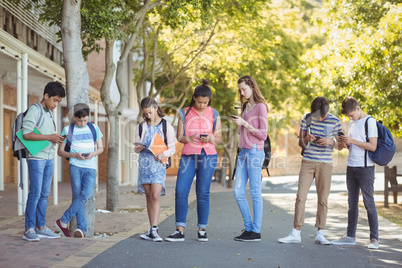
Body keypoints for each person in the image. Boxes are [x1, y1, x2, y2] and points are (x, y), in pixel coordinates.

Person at [277, 96, 342, 245]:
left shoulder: (335, 121)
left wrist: (330, 142)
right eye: (317, 117)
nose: (319, 119)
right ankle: (296, 232)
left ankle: (320, 233)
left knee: (323, 199)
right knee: (300, 196)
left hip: (325, 163)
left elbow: (342, 145)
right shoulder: (307, 118)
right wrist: (306, 139)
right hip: (308, 161)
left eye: (322, 117)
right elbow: (300, 142)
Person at [165, 79, 222, 242]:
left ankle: (202, 230)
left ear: (209, 100)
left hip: (208, 155)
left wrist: (209, 138)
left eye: (205, 102)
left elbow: (219, 138)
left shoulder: (215, 114)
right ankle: (179, 230)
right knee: (181, 191)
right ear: (194, 98)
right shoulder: (184, 113)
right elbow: (179, 137)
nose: (202, 105)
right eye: (199, 102)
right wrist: (188, 137)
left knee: (203, 193)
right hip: (188, 156)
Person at [331, 97, 379, 249]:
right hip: (351, 167)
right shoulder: (352, 122)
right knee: (352, 203)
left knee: (368, 202)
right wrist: (345, 143)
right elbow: (352, 146)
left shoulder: (370, 121)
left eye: (352, 115)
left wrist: (352, 140)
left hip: (365, 168)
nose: (350, 118)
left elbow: (373, 146)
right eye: (348, 116)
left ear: (358, 108)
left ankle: (374, 239)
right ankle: (350, 236)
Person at [22, 81, 66, 242]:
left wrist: (56, 139)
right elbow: (26, 134)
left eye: (59, 102)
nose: (56, 104)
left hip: (48, 158)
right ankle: (28, 228)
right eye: (54, 100)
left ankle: (41, 227)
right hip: (36, 159)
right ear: (46, 96)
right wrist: (50, 137)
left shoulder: (48, 113)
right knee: (35, 193)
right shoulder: (35, 110)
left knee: (44, 194)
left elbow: (44, 135)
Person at [55, 103, 104, 238]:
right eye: (79, 120)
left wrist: (93, 154)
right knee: (78, 197)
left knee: (85, 194)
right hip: (75, 166)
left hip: (90, 167)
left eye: (85, 120)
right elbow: (60, 152)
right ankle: (81, 229)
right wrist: (75, 155)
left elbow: (101, 148)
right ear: (74, 117)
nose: (82, 123)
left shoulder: (94, 128)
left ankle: (64, 220)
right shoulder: (68, 130)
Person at [230, 75, 268, 242]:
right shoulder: (245, 106)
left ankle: (256, 231)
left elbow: (263, 135)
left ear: (252, 86)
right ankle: (248, 228)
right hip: (243, 151)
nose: (242, 92)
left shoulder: (261, 107)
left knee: (254, 192)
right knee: (238, 192)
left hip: (254, 152)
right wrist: (239, 126)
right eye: (240, 90)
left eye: (244, 88)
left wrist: (245, 124)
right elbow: (242, 132)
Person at [135, 97, 176, 242]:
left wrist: (163, 153)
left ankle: (155, 228)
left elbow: (173, 148)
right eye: (145, 114)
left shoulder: (167, 127)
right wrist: (138, 148)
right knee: (148, 197)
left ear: (156, 108)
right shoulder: (141, 127)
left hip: (158, 165)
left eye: (150, 112)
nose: (148, 116)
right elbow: (136, 148)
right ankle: (151, 229)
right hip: (145, 165)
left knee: (155, 196)